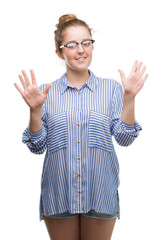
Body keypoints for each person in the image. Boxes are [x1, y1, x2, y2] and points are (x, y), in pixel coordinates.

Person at [14, 14, 148, 240]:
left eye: (86, 43)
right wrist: (35, 110)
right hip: (59, 194)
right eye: (72, 45)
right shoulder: (45, 92)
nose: (81, 50)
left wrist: (130, 97)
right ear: (60, 52)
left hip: (100, 193)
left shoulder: (112, 89)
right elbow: (37, 147)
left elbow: (125, 139)